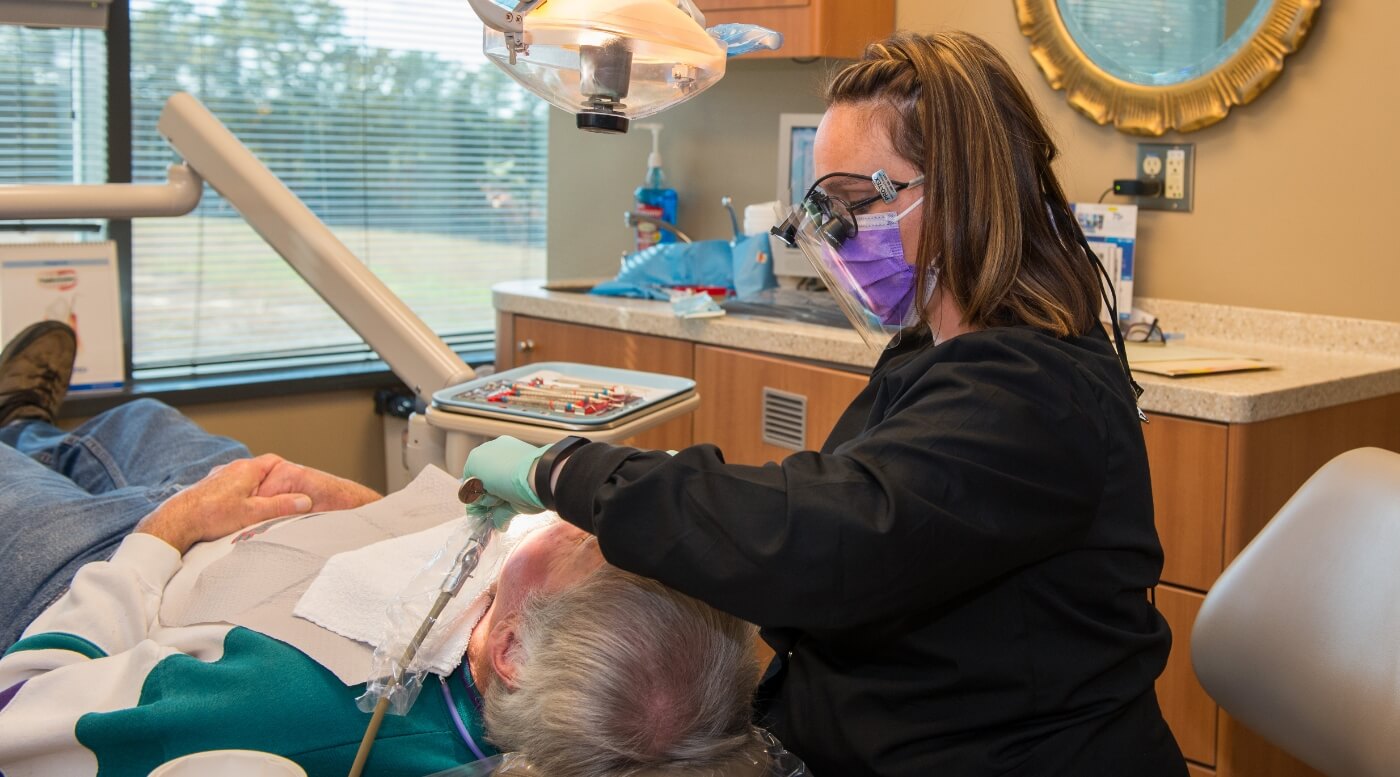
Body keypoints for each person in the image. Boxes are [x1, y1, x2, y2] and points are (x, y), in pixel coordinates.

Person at [464, 31, 1190, 777]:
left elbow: (831, 537)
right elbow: (831, 514)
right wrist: (686, 513)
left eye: (851, 203)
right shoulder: (930, 357)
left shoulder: (1035, 393)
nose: (835, 234)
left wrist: (568, 471)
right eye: (821, 209)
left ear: (963, 190)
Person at [0, 322, 762, 777]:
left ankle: (16, 429)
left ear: (514, 652)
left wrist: (162, 532)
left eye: (581, 541)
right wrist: (364, 510)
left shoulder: (283, 707)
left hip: (114, 572)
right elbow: (453, 564)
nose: (573, 519)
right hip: (263, 520)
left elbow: (19, 713)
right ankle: (28, 423)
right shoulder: (541, 664)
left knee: (43, 472)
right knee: (140, 420)